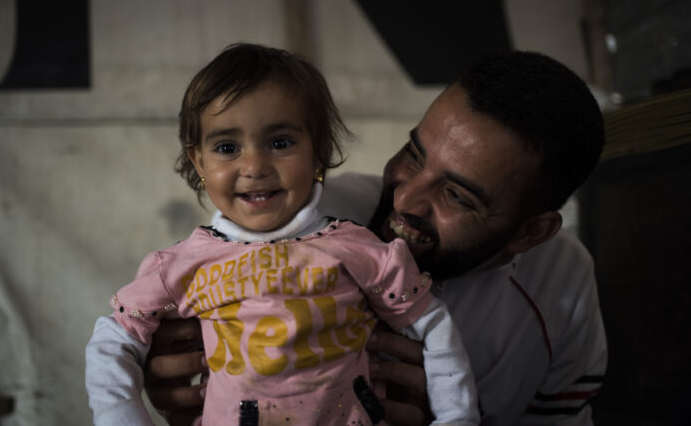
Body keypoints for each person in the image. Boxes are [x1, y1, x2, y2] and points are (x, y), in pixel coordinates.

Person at [144, 50, 608, 426]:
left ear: (532, 232)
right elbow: (175, 356)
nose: (406, 197)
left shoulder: (561, 284)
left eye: (456, 196)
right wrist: (163, 375)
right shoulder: (302, 217)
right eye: (413, 153)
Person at [85, 43, 479, 426]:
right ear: (198, 160)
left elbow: (433, 325)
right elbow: (112, 340)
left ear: (318, 151)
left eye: (280, 143)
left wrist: (456, 416)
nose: (255, 165)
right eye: (227, 146)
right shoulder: (180, 266)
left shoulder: (359, 250)